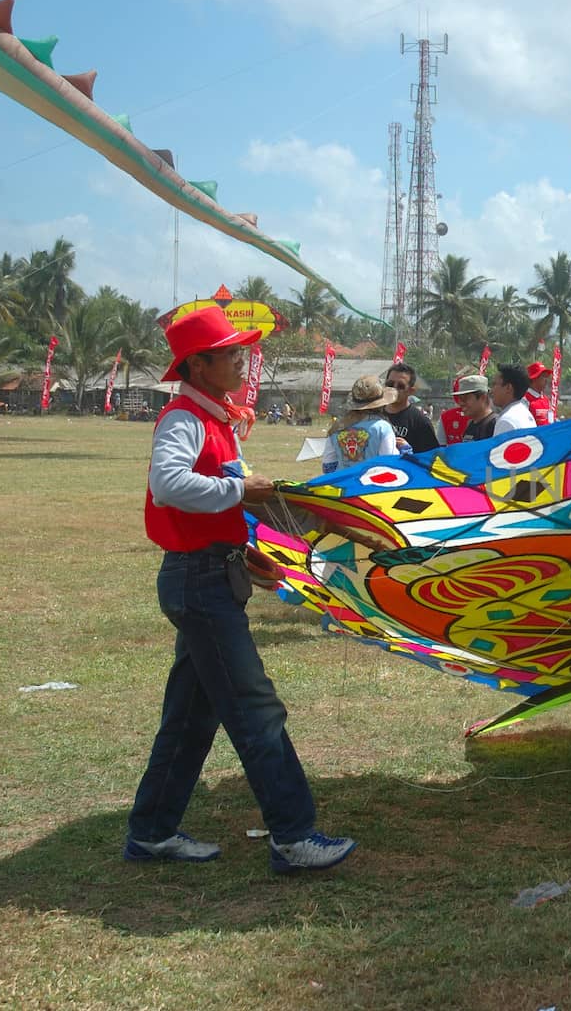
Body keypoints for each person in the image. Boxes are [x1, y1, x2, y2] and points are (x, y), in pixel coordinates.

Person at [129, 305, 355, 873]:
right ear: (199, 365)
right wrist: (241, 494)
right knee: (255, 710)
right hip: (198, 584)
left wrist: (246, 548)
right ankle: (293, 836)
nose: (241, 361)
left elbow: (225, 500)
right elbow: (170, 485)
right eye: (231, 354)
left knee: (190, 717)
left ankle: (152, 832)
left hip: (209, 575)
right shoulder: (184, 418)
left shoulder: (216, 420)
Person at [322, 374, 399, 473]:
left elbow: (327, 467)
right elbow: (390, 463)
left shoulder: (336, 427)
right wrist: (405, 450)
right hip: (371, 486)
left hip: (342, 486)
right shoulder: (382, 428)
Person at [381, 363, 439, 453]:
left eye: (400, 386)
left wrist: (408, 450)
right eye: (390, 384)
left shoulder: (421, 422)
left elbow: (431, 458)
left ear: (411, 391)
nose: (394, 389)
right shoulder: (372, 415)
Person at [492, 364, 536, 434]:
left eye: (494, 384)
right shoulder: (524, 413)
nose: (492, 390)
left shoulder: (507, 421)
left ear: (508, 388)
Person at [452, 374, 497, 442]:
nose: (461, 403)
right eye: (460, 399)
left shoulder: (494, 425)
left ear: (483, 397)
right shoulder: (470, 424)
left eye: (465, 398)